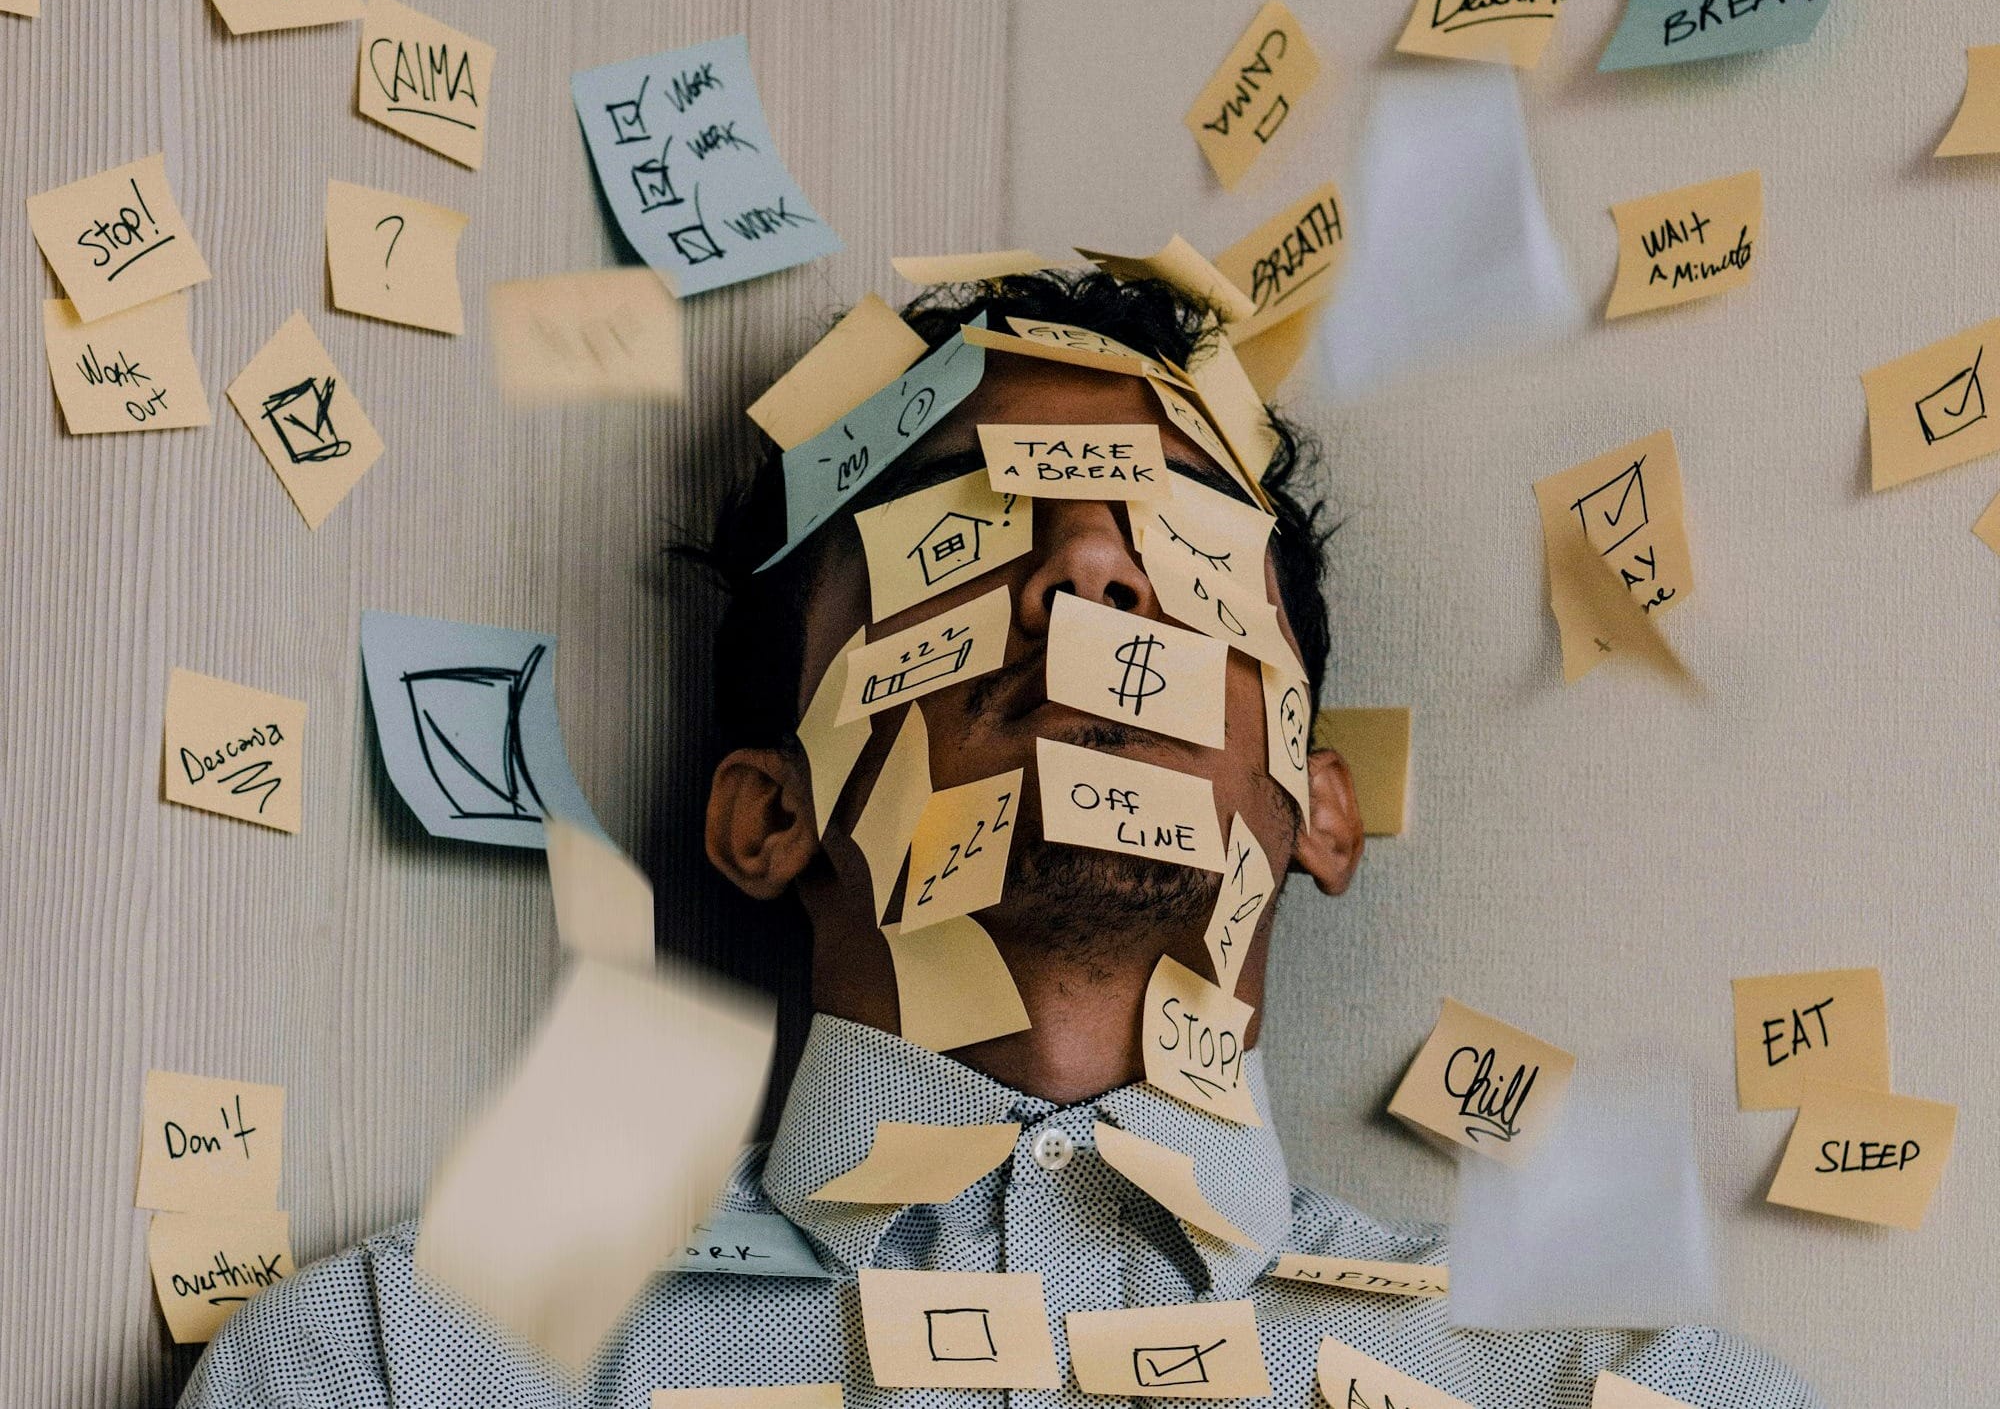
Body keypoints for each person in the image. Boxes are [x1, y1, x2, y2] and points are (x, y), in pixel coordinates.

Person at [181, 270, 1819, 1408]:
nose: (1092, 575)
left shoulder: (1616, 1387)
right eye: (971, 522)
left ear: (1318, 800)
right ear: (768, 814)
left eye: (1180, 542)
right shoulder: (407, 1367)